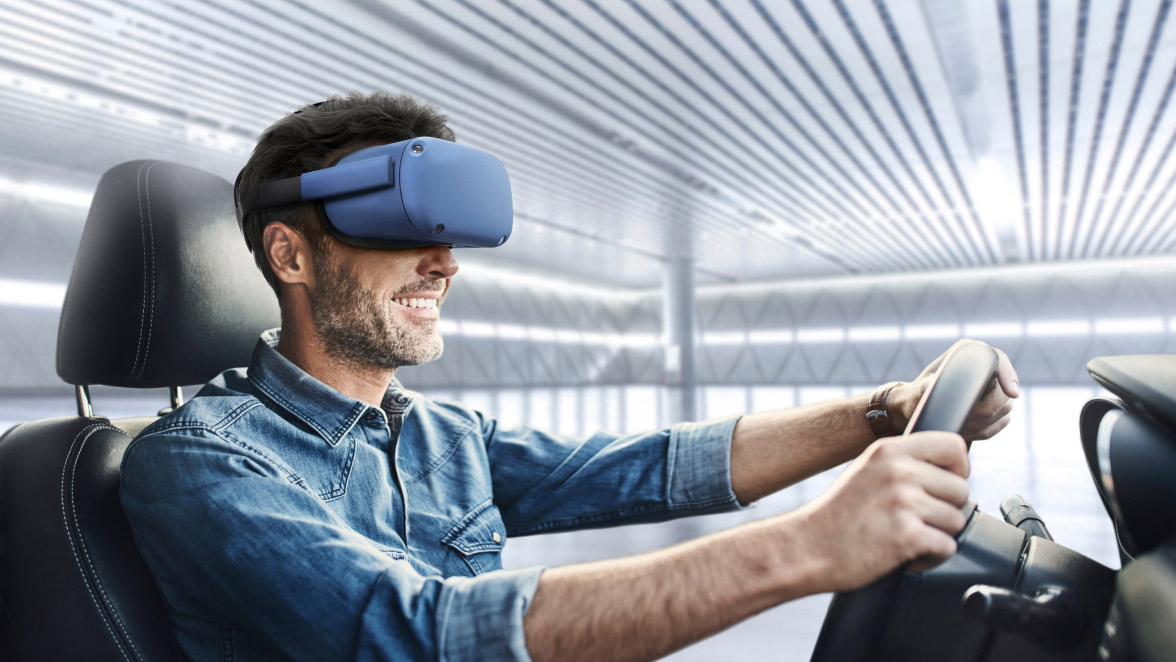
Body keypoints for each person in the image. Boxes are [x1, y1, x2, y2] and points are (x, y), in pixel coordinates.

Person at [120, 91, 1019, 662]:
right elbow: (412, 635)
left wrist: (882, 410)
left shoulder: (439, 436)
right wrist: (808, 547)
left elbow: (656, 465)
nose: (444, 265)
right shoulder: (202, 462)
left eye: (450, 238)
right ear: (291, 254)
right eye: (400, 231)